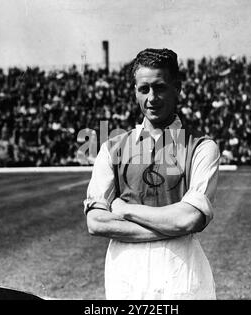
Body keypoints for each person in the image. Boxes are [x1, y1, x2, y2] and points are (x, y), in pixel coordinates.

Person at [83, 48, 220, 299]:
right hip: (125, 275)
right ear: (135, 90)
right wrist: (170, 225)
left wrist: (125, 210)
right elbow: (95, 221)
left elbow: (188, 219)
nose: (152, 98)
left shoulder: (201, 147)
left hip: (180, 271)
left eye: (160, 87)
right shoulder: (112, 148)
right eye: (143, 89)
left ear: (177, 88)